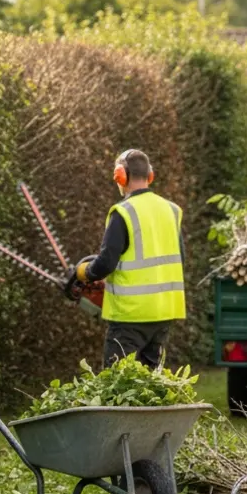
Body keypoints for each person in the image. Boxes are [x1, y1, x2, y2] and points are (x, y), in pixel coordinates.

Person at [70, 149, 186, 367]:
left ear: (121, 175)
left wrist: (82, 272)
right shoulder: (171, 210)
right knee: (149, 384)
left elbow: (105, 263)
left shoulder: (123, 212)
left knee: (117, 382)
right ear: (150, 175)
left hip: (130, 315)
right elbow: (180, 259)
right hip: (164, 313)